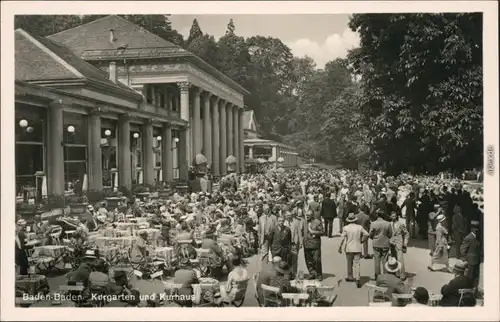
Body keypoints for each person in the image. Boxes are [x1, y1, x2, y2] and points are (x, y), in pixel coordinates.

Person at [338, 213, 369, 288]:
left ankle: (350, 276)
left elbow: (342, 238)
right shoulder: (359, 227)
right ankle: (358, 278)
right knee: (357, 263)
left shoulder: (346, 228)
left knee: (349, 263)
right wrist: (362, 240)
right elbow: (367, 234)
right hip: (357, 247)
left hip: (349, 247)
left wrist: (339, 247)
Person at [369, 210, 393, 280]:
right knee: (385, 260)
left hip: (376, 243)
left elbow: (370, 235)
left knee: (377, 260)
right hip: (385, 243)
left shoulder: (373, 223)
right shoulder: (388, 224)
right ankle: (385, 276)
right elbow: (390, 234)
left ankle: (377, 276)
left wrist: (374, 237)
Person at [302, 210, 324, 280]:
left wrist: (314, 232)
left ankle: (319, 274)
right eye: (306, 215)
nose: (307, 216)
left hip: (315, 244)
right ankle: (312, 273)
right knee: (308, 260)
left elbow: (322, 232)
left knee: (316, 260)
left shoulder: (317, 222)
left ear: (312, 216)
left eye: (308, 215)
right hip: (306, 244)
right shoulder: (304, 222)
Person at [460, 220, 481, 289]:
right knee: (470, 278)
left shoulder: (478, 237)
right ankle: (469, 291)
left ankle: (475, 291)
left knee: (476, 277)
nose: (477, 230)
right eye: (475, 228)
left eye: (477, 228)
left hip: (477, 261)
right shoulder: (468, 238)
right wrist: (467, 259)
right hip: (471, 262)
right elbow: (462, 250)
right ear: (472, 229)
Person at [389, 210, 409, 279]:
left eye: (395, 216)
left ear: (396, 216)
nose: (393, 217)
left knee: (400, 259)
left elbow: (406, 234)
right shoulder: (389, 224)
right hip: (391, 243)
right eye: (392, 216)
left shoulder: (400, 224)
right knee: (393, 259)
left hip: (399, 243)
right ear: (390, 216)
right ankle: (395, 273)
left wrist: (405, 243)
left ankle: (402, 274)